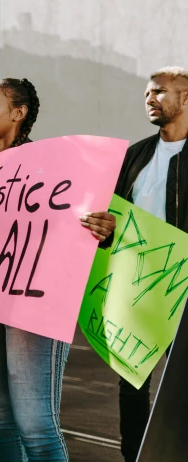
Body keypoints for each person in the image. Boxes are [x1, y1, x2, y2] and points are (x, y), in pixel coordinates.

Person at [0, 78, 116, 462]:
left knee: (36, 426)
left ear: (18, 114)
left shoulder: (48, 164)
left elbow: (79, 222)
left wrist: (103, 228)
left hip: (31, 307)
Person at [113, 66, 188, 462]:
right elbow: (116, 217)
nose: (149, 99)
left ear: (186, 98)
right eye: (147, 93)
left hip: (183, 288)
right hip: (136, 286)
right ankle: (134, 457)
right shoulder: (134, 155)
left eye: (159, 91)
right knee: (131, 386)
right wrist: (105, 226)